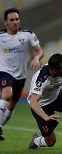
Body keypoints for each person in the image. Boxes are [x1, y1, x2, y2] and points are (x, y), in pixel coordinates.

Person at [0, 8, 44, 141]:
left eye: (17, 19)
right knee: (7, 95)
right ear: (5, 22)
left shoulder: (27, 34)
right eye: (12, 20)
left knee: (12, 105)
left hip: (21, 76)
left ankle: (0, 126)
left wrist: (36, 58)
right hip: (4, 72)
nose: (15, 22)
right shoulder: (1, 37)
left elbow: (40, 52)